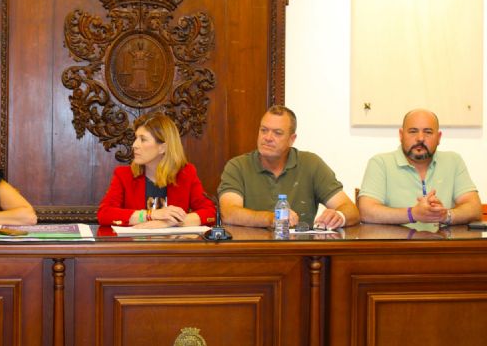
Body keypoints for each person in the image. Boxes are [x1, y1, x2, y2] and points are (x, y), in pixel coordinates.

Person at [218, 105, 360, 229]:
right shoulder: (237, 166)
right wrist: (273, 218)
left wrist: (339, 216)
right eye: (264, 130)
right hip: (250, 253)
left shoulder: (311, 164)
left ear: (292, 139)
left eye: (277, 133)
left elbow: (351, 210)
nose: (267, 137)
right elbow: (229, 213)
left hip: (299, 253)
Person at [358, 109, 481, 225]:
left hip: (443, 244)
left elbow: (474, 208)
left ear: (438, 138)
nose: (420, 138)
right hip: (395, 246)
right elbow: (366, 212)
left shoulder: (453, 161)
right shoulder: (380, 163)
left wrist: (445, 215)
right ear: (401, 135)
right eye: (413, 131)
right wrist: (412, 214)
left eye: (428, 132)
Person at [98, 112, 216, 228]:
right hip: (135, 245)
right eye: (136, 138)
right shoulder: (123, 175)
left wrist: (169, 223)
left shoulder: (186, 173)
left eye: (143, 139)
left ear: (162, 148)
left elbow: (210, 212)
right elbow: (104, 214)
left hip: (174, 246)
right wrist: (151, 215)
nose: (134, 145)